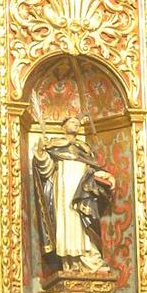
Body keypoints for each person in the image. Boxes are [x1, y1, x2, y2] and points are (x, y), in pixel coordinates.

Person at [32, 116, 117, 274]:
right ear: (63, 126)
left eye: (78, 123)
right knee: (66, 222)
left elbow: (92, 169)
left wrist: (107, 176)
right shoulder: (55, 146)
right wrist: (41, 151)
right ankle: (70, 264)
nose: (76, 125)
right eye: (72, 122)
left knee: (84, 222)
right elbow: (45, 169)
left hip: (83, 189)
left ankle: (90, 260)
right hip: (64, 189)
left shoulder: (83, 148)